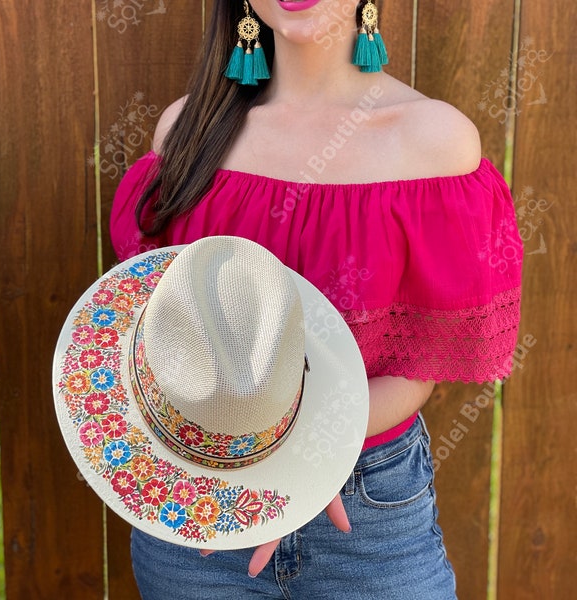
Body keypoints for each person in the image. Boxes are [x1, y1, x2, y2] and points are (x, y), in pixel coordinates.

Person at [109, 0, 523, 598]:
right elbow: (153, 328)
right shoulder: (188, 131)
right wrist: (256, 462)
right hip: (202, 506)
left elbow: (422, 364)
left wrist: (304, 458)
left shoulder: (436, 141)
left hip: (366, 515)